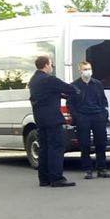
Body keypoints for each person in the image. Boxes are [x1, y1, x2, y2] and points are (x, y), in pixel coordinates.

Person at [28, 55, 79, 188]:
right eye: (51, 64)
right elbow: (70, 88)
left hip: (40, 119)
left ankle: (44, 179)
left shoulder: (33, 80)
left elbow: (46, 95)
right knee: (56, 148)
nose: (52, 67)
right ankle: (57, 178)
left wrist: (58, 94)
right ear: (45, 65)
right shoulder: (49, 79)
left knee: (44, 148)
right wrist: (75, 91)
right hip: (53, 119)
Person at [68, 61, 110, 179]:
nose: (87, 71)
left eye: (89, 69)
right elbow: (70, 103)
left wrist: (104, 114)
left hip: (98, 116)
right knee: (84, 144)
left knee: (101, 143)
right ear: (80, 71)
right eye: (85, 69)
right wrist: (76, 117)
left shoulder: (97, 84)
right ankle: (87, 169)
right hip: (83, 117)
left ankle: (102, 168)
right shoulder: (74, 85)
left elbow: (103, 100)